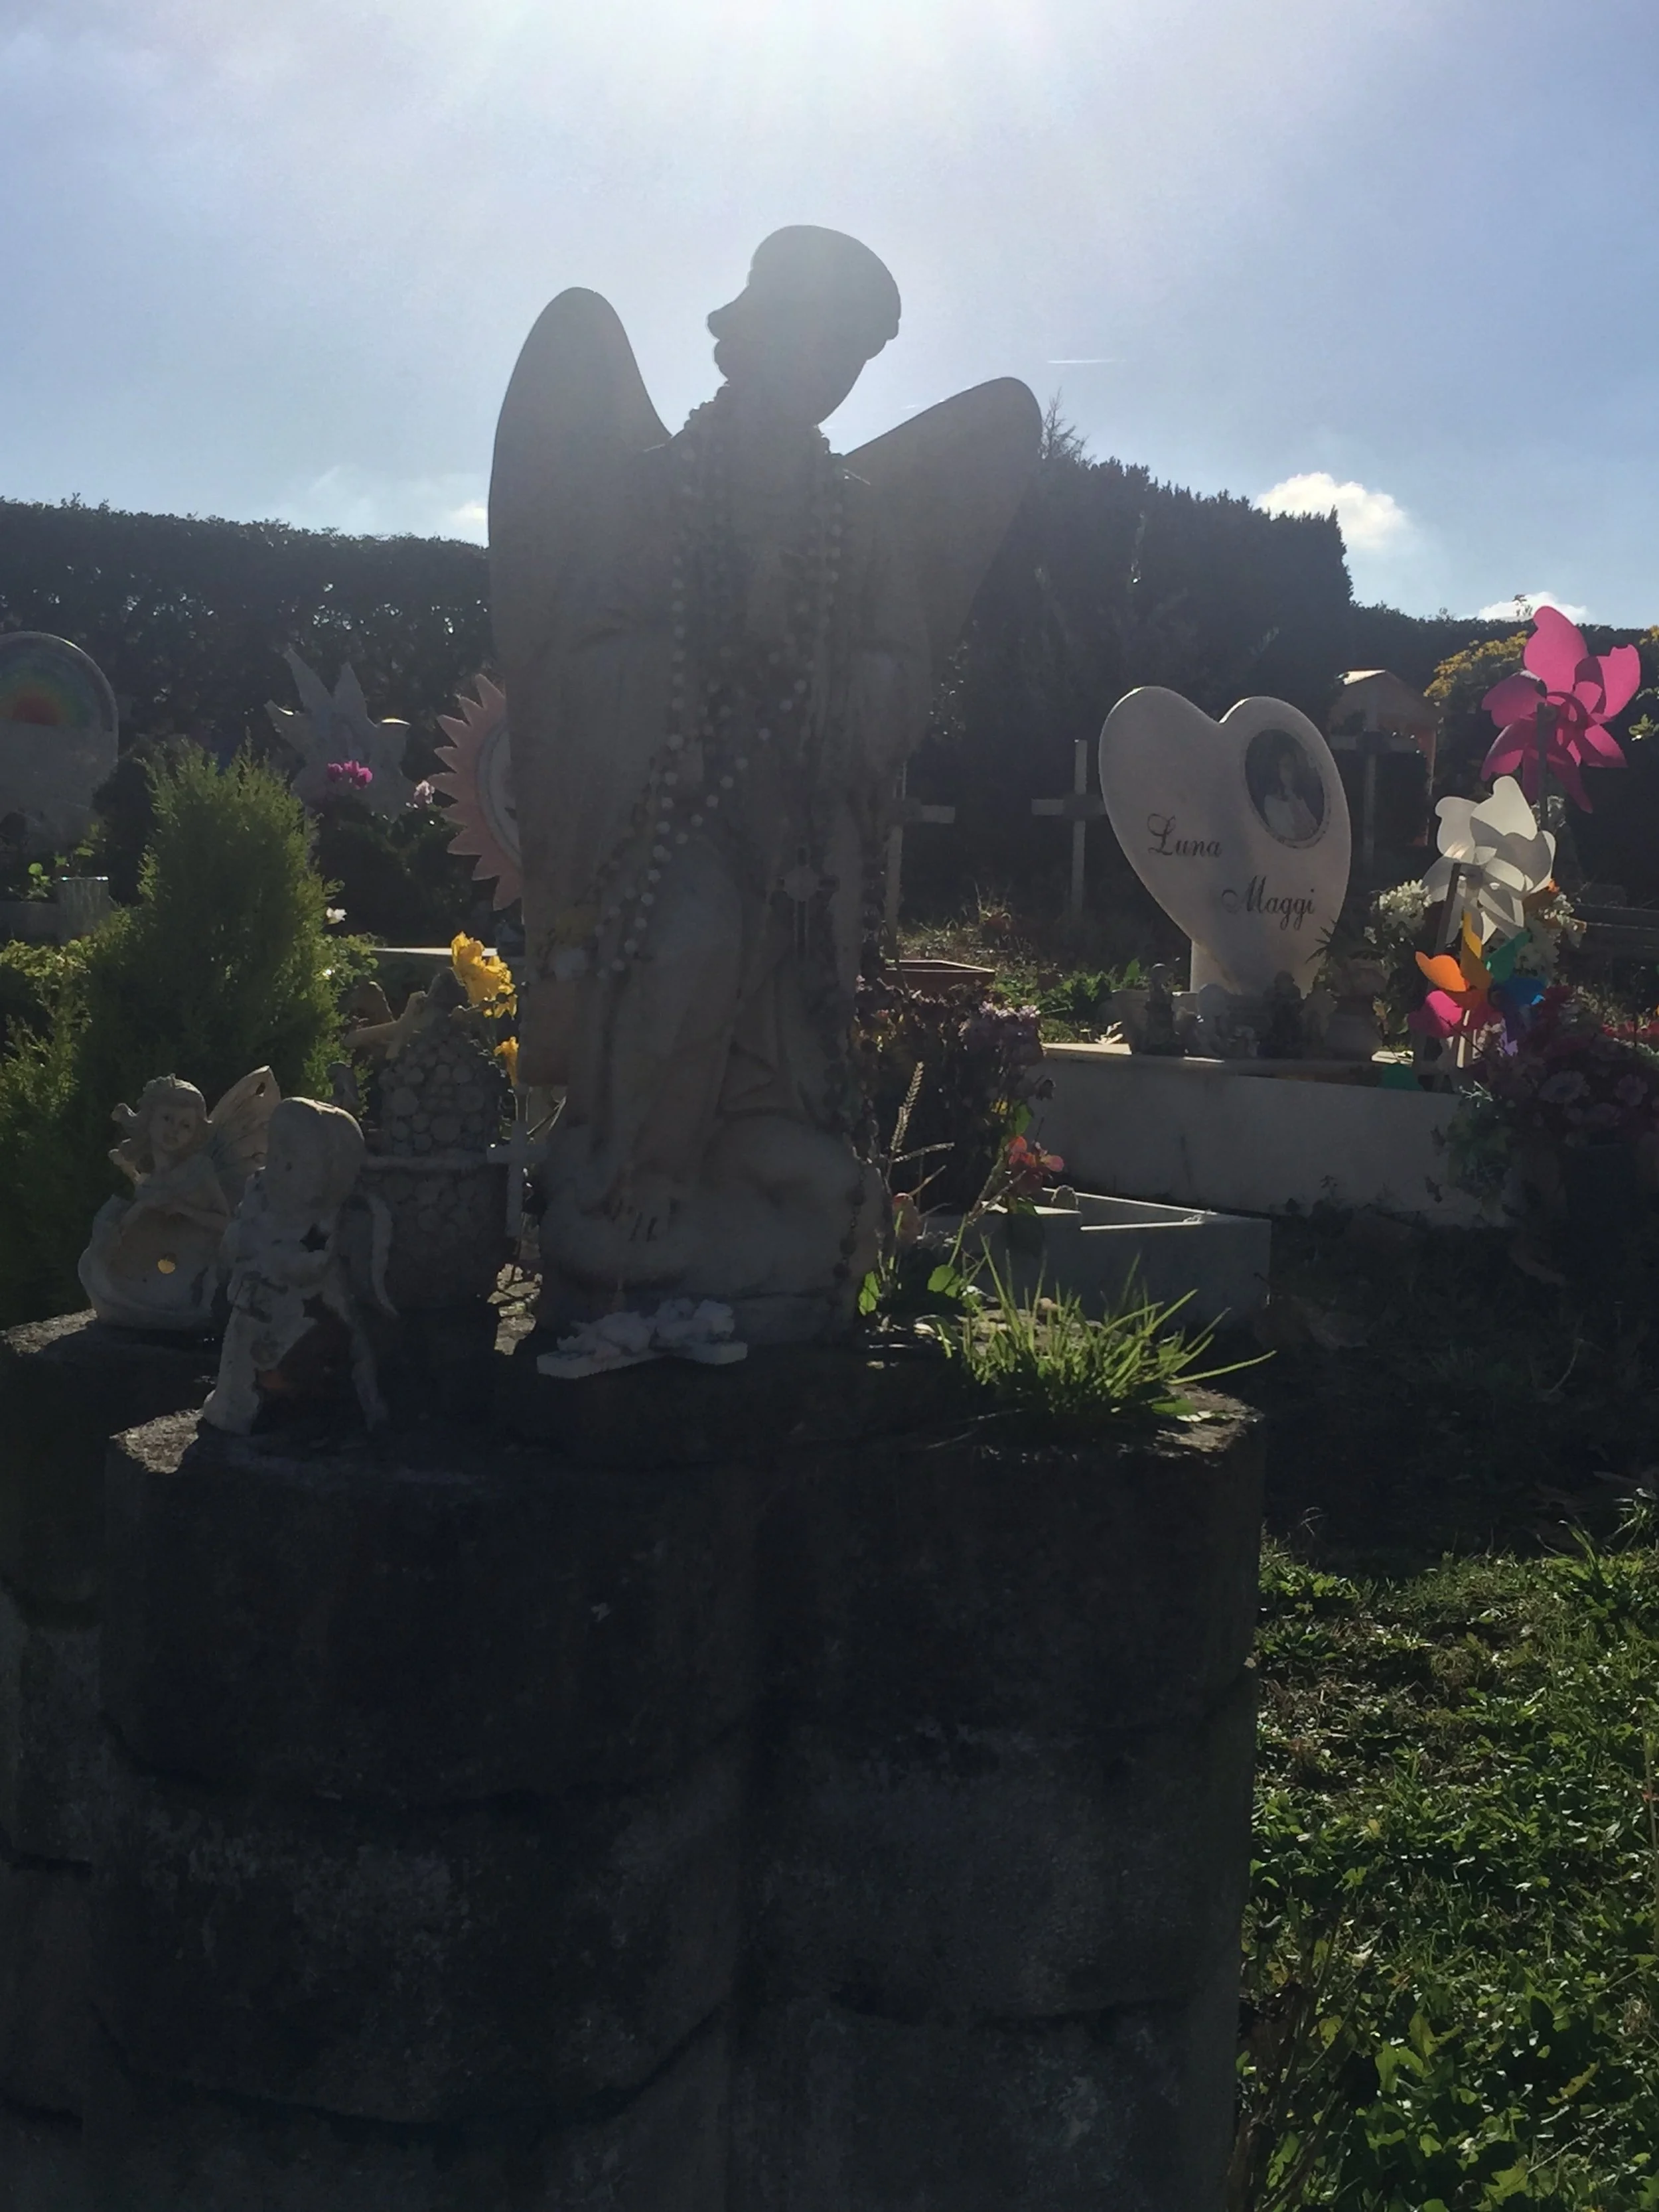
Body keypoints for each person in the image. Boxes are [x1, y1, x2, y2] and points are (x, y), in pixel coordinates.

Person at [491, 229, 1039, 1339]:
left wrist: (835, 690)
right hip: (678, 810)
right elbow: (582, 650)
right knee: (689, 945)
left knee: (796, 1018)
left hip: (798, 829)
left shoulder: (861, 516)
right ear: (753, 333)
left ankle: (753, 1192)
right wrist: (693, 677)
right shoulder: (654, 489)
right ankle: (631, 1175)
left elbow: (901, 662)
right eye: (818, 337)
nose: (832, 370)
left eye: (856, 355)